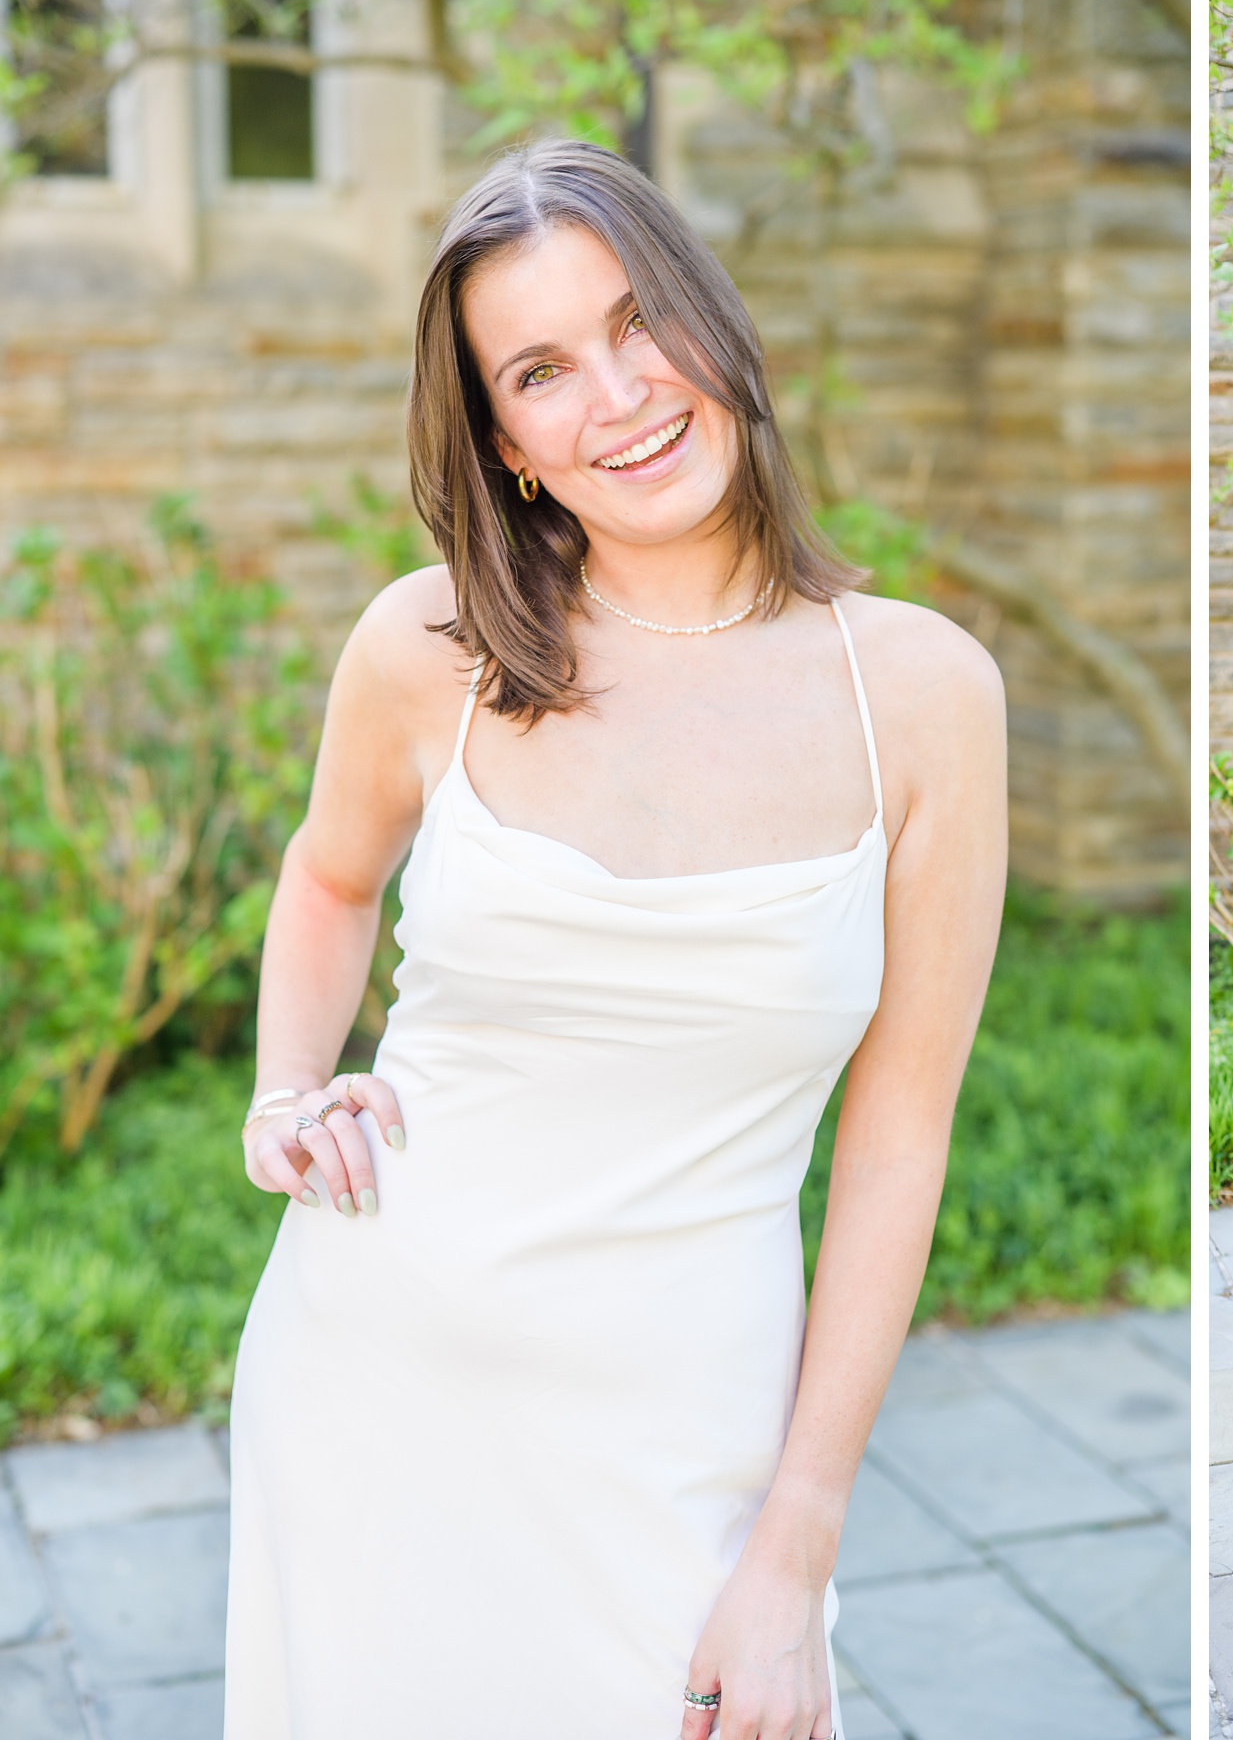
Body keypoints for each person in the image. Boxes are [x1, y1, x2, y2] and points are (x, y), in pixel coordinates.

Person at [224, 139, 1008, 1739]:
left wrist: (798, 1543)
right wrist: (283, 1099)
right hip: (372, 1395)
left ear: (717, 325)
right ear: (505, 443)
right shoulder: (425, 646)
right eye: (543, 370)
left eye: (641, 321)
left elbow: (900, 1134)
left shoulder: (922, 697)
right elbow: (323, 883)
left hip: (688, 1452)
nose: (623, 393)